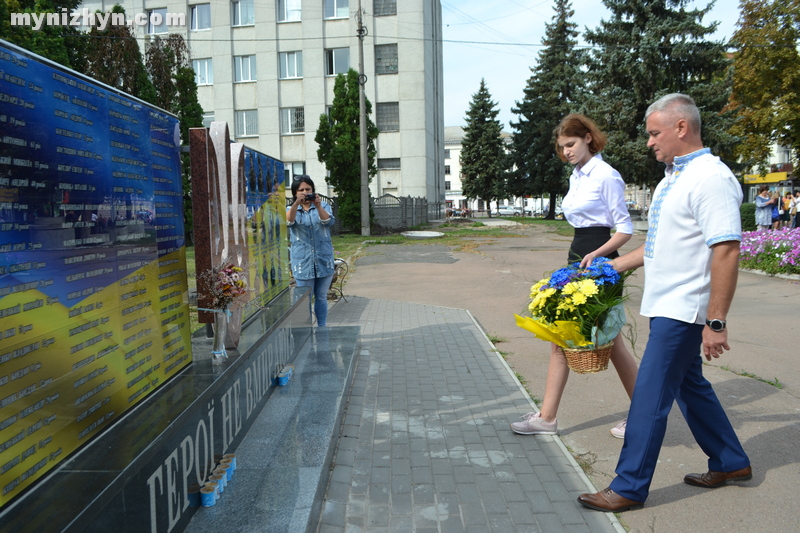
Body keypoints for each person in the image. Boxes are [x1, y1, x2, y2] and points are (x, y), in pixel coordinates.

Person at [578, 94, 751, 513]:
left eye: (655, 133)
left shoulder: (710, 177)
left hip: (684, 309)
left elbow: (726, 249)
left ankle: (629, 486)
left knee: (650, 398)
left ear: (681, 128)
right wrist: (611, 265)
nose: (650, 142)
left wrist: (716, 321)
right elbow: (660, 246)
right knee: (690, 388)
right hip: (666, 303)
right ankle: (731, 461)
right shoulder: (673, 176)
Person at [511, 114, 638, 439]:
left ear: (588, 139)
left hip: (600, 261)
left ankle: (642, 417)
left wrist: (598, 255)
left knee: (608, 342)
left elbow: (625, 228)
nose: (565, 151)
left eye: (571, 144)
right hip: (578, 258)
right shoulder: (577, 175)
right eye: (561, 147)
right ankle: (548, 418)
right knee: (565, 338)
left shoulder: (606, 175)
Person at [286, 175, 336, 327]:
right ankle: (305, 330)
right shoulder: (290, 208)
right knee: (304, 299)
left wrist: (319, 205)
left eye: (308, 189)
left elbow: (328, 221)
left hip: (323, 259)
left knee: (321, 297)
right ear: (295, 193)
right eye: (301, 190)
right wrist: (296, 204)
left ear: (313, 191)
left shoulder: (324, 206)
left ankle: (322, 328)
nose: (305, 192)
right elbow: (289, 221)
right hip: (303, 261)